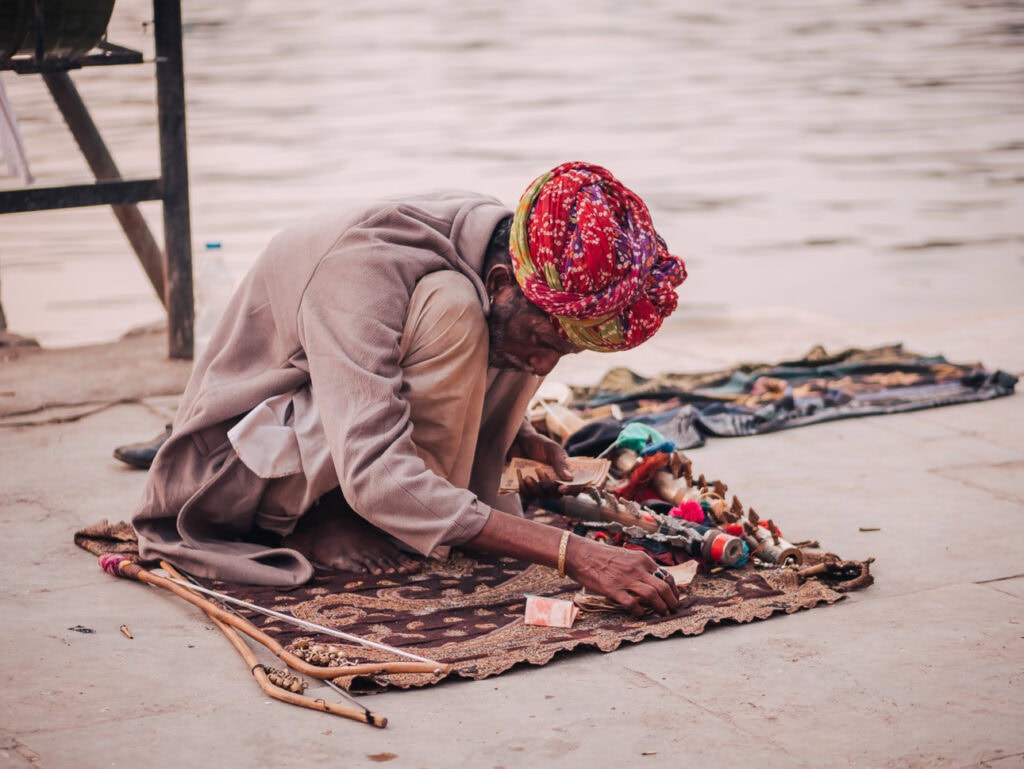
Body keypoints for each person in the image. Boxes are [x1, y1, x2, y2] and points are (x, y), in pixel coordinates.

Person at [132, 161, 687, 618]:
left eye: (564, 354)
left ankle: (420, 508)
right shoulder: (363, 265)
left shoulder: (499, 245)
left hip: (337, 423)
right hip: (236, 475)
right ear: (500, 280)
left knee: (503, 333)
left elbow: (447, 350)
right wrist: (572, 554)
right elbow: (374, 454)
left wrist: (517, 429)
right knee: (454, 309)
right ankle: (332, 517)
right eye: (547, 342)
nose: (545, 364)